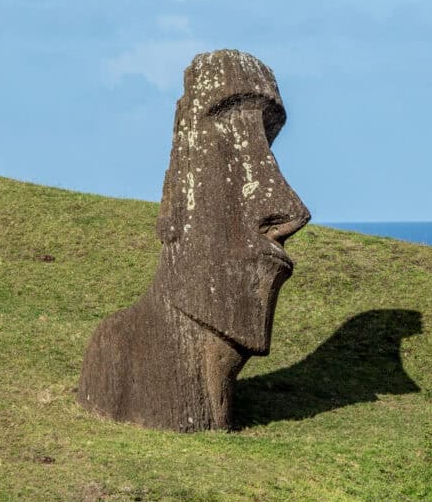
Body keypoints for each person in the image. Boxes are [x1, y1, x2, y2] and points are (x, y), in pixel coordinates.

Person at [78, 50, 310, 431]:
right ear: (175, 193)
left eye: (263, 144)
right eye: (233, 143)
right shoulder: (117, 348)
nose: (291, 212)